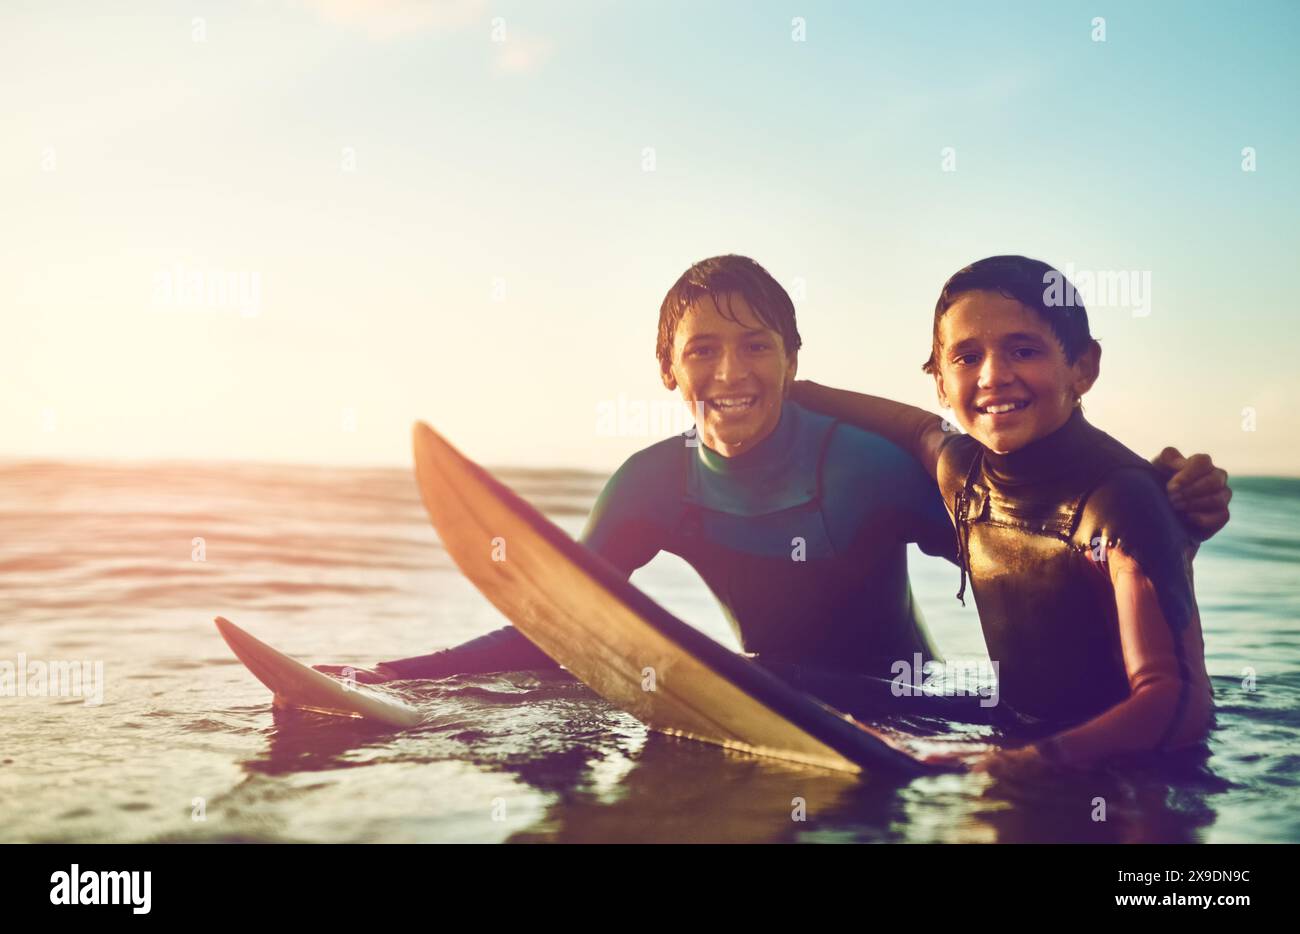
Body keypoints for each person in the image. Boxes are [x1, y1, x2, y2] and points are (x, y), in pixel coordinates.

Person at [318, 255, 1228, 727]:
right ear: (668, 372)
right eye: (703, 351)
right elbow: (563, 623)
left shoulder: (867, 467)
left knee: (729, 674)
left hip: (905, 702)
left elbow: (1029, 546)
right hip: (770, 705)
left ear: (794, 362)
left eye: (758, 347)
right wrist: (398, 676)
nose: (731, 371)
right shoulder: (651, 485)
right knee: (578, 695)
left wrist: (1162, 516)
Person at [791, 254, 1224, 772]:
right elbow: (915, 429)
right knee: (789, 683)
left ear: (1083, 367)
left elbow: (1177, 705)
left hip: (1135, 773)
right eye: (966, 357)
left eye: (1023, 350)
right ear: (940, 382)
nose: (993, 376)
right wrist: (790, 393)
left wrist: (1020, 765)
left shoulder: (1117, 504)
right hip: (1017, 730)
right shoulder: (963, 473)